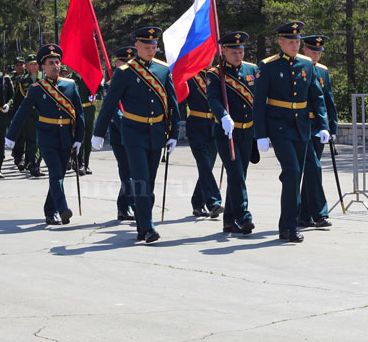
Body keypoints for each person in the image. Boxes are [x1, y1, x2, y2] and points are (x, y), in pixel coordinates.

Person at [91, 26, 181, 244]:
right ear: (137, 46)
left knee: (149, 182)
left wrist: (174, 132)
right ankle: (148, 227)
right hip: (133, 133)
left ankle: (142, 227)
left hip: (157, 132)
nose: (151, 50)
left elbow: (172, 102)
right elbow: (110, 104)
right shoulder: (125, 72)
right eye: (147, 47)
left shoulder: (162, 70)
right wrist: (98, 132)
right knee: (140, 179)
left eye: (154, 47)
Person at [254, 21, 329, 243]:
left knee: (294, 176)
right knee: (293, 171)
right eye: (291, 41)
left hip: (302, 127)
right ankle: (289, 225)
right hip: (279, 126)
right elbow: (259, 103)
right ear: (280, 42)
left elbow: (316, 96)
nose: (295, 45)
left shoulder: (307, 64)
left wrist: (323, 124)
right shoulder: (268, 66)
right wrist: (260, 134)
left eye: (297, 41)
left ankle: (287, 225)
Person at [4, 44, 84, 225]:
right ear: (43, 67)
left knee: (60, 176)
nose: (55, 66)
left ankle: (50, 211)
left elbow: (79, 115)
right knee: (55, 173)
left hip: (66, 136)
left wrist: (79, 138)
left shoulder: (71, 86)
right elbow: (22, 112)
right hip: (47, 137)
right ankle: (63, 209)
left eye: (57, 62)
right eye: (51, 63)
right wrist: (11, 135)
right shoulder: (37, 88)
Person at [207, 31, 259, 234]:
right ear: (223, 51)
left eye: (241, 51)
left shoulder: (253, 70)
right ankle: (243, 216)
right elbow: (213, 100)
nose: (238, 55)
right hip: (226, 132)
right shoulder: (215, 74)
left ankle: (229, 220)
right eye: (234, 52)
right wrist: (223, 116)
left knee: (239, 176)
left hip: (248, 132)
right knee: (236, 174)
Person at [297, 35, 338, 228]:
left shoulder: (323, 71)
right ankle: (320, 213)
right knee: (314, 168)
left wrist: (332, 127)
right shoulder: (296, 67)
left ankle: (303, 215)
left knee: (311, 171)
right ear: (304, 49)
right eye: (313, 51)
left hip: (319, 128)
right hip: (301, 126)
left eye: (319, 52)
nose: (316, 55)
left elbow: (328, 100)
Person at [101, 46, 136, 222]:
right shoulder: (110, 85)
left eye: (131, 61)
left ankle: (123, 207)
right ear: (116, 64)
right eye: (124, 61)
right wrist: (128, 122)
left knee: (134, 171)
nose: (128, 65)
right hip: (120, 134)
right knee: (126, 170)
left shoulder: (137, 81)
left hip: (137, 133)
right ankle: (134, 204)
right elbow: (114, 110)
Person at [186, 65, 223, 219]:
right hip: (197, 124)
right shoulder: (188, 75)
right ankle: (214, 202)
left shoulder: (216, 75)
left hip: (215, 125)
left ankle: (197, 202)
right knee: (204, 164)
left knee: (208, 166)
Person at [12, 55, 42, 175]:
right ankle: (33, 163)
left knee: (40, 139)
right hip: (29, 114)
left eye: (35, 64)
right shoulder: (23, 81)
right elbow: (18, 100)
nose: (33, 66)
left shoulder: (45, 78)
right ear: (27, 66)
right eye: (31, 64)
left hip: (43, 113)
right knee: (30, 139)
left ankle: (35, 162)